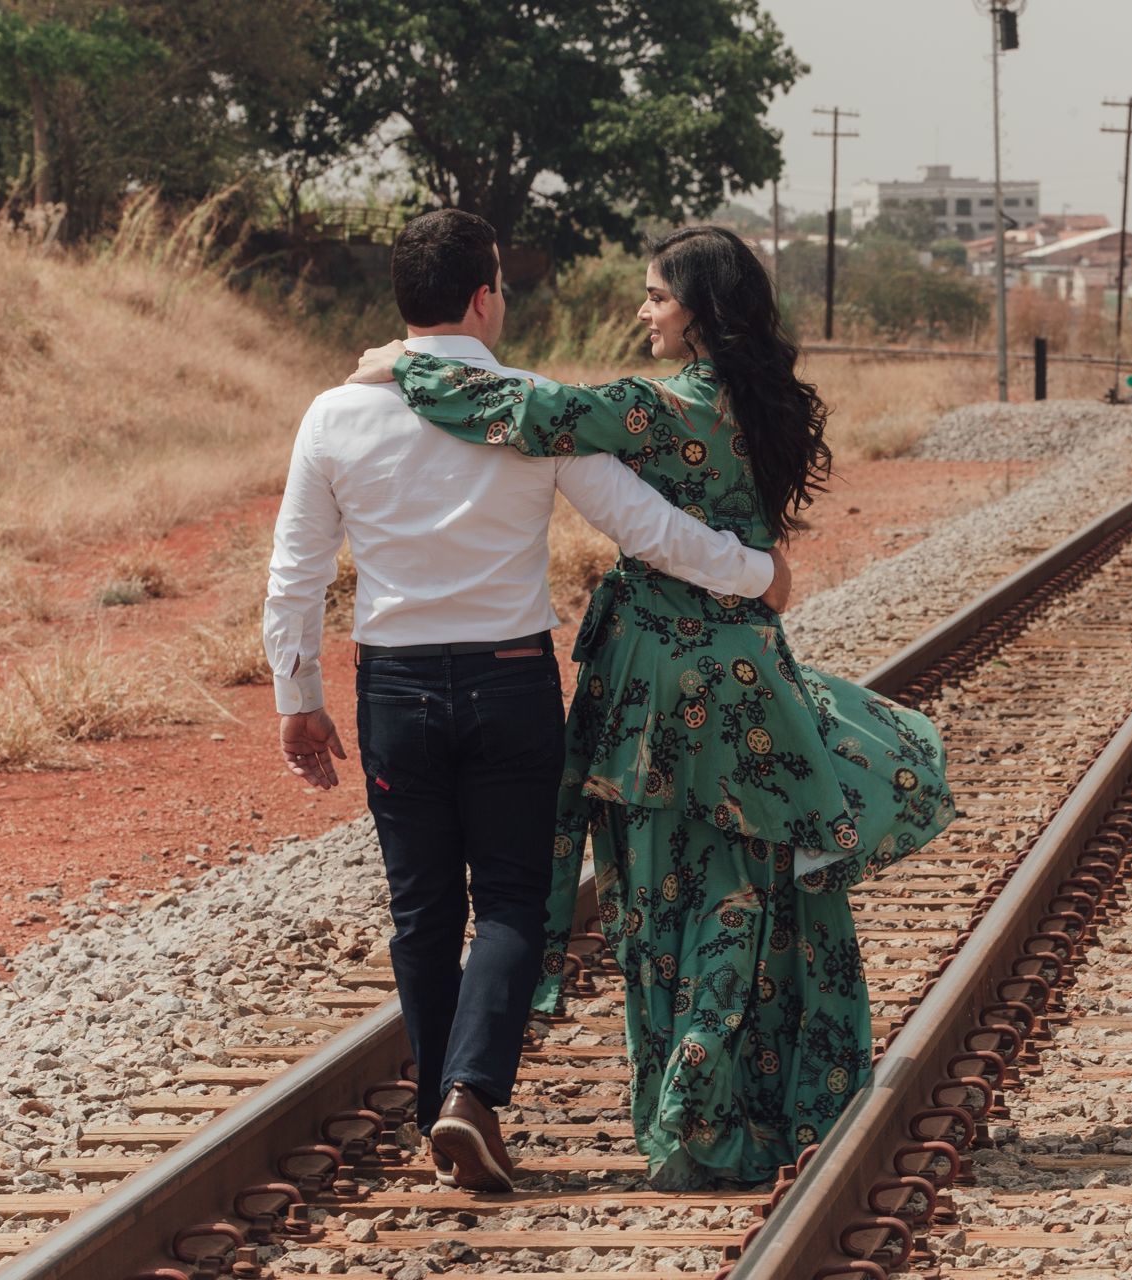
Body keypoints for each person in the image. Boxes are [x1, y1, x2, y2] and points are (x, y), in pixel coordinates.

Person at [346, 225, 956, 1189]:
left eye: (656, 296)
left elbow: (521, 407)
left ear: (700, 311)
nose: (643, 311)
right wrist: (759, 574)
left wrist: (405, 363)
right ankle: (780, 1092)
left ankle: (698, 1099)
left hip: (658, 679)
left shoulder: (652, 407)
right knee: (756, 884)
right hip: (749, 664)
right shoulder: (768, 404)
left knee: (664, 890)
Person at [265, 210, 790, 1194]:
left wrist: (298, 693)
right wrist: (756, 571)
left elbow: (296, 569)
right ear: (482, 296)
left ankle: (441, 1114)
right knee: (509, 903)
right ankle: (471, 1093)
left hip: (395, 687)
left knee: (422, 907)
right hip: (509, 678)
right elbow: (648, 528)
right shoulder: (532, 408)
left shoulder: (333, 415)